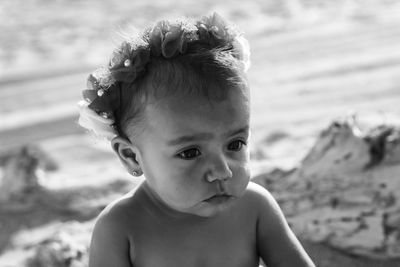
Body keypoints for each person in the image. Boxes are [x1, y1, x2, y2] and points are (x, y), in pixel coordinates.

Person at [77, 12, 315, 267]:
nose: (222, 171)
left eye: (235, 145)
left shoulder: (254, 208)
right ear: (132, 156)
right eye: (190, 153)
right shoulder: (120, 227)